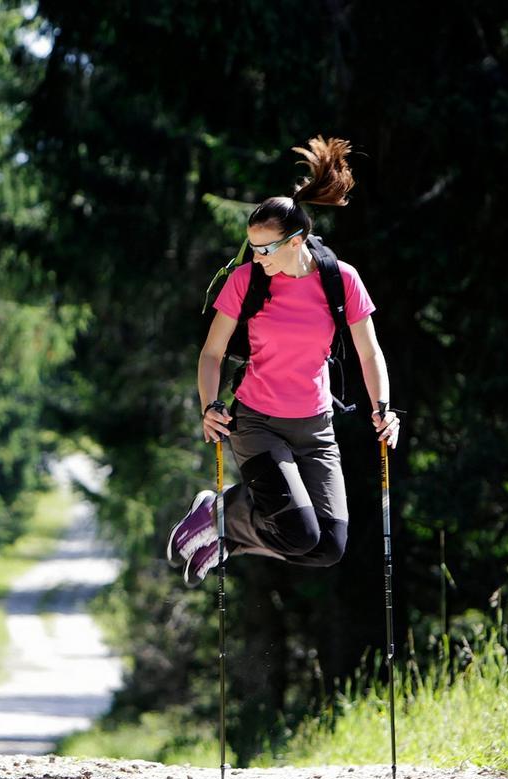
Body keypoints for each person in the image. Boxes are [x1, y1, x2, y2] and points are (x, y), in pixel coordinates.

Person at [166, 136, 400, 587]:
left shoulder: (341, 280)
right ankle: (221, 512)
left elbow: (370, 353)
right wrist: (210, 405)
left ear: (297, 241)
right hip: (258, 422)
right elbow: (212, 353)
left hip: (316, 424)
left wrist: (383, 408)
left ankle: (224, 535)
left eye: (266, 249)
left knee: (327, 547)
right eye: (253, 247)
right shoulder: (246, 281)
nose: (257, 257)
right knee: (300, 531)